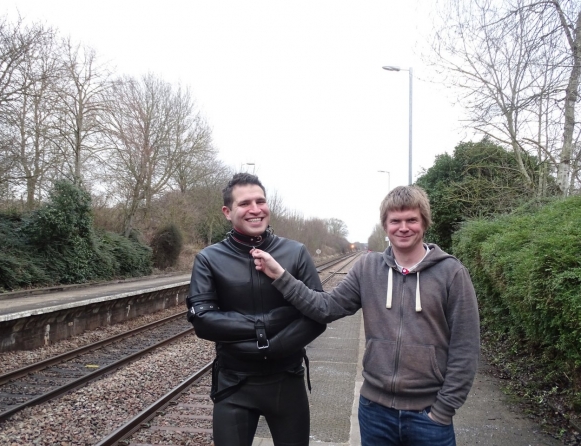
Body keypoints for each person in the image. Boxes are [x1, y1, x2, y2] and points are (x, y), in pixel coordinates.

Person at [251, 185, 480, 446]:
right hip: (375, 412)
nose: (403, 227)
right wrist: (281, 276)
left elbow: (466, 347)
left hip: (429, 416)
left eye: (411, 220)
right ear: (385, 225)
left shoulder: (451, 273)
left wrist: (444, 410)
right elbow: (325, 308)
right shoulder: (368, 268)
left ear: (424, 223)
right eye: (395, 221)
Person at [186, 172, 326, 446]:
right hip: (234, 385)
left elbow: (318, 314)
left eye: (260, 201)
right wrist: (268, 326)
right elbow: (203, 321)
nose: (255, 209)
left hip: (287, 382)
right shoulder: (209, 259)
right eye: (244, 203)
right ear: (227, 212)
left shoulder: (295, 252)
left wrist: (272, 348)